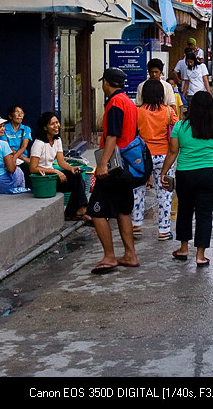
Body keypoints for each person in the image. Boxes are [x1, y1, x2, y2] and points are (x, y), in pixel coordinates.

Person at [161, 91, 213, 267]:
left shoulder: (180, 127)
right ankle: (200, 255)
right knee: (204, 213)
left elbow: (172, 152)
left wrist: (163, 172)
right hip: (207, 174)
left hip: (185, 174)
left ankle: (183, 249)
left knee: (185, 210)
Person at [87, 68, 141, 273]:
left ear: (107, 83)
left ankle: (109, 256)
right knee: (122, 210)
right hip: (126, 166)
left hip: (114, 166)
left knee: (96, 211)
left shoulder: (115, 103)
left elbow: (112, 136)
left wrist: (103, 165)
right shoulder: (129, 102)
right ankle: (130, 254)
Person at [133, 78, 178, 241]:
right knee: (165, 193)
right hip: (164, 157)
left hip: (143, 157)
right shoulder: (168, 111)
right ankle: (164, 230)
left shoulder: (137, 111)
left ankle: (136, 225)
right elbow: (177, 128)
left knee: (138, 190)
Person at [29, 112, 89, 221]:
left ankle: (78, 209)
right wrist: (55, 172)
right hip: (43, 179)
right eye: (52, 124)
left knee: (77, 176)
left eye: (57, 122)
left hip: (52, 177)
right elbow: (33, 168)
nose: (56, 126)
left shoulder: (57, 140)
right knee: (76, 180)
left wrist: (71, 168)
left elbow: (61, 162)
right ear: (45, 127)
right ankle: (78, 210)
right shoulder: (39, 143)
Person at [0, 113, 30, 194]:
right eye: (0, 127)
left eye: (3, 126)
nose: (3, 129)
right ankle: (21, 191)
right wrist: (13, 162)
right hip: (3, 186)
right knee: (19, 172)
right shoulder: (3, 145)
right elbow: (11, 169)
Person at [2, 104, 32, 176]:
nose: (20, 115)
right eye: (17, 112)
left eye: (22, 113)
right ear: (10, 116)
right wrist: (21, 158)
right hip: (9, 157)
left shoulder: (26, 128)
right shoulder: (3, 128)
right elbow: (6, 147)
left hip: (21, 158)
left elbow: (24, 146)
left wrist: (19, 157)